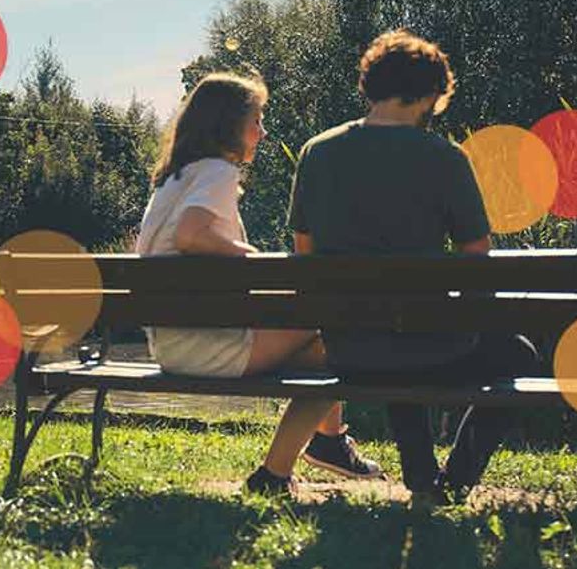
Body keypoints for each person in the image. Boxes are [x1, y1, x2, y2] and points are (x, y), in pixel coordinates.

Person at [287, 29, 538, 507]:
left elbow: (304, 250)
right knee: (517, 354)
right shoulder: (445, 158)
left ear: (371, 84)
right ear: (430, 94)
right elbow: (476, 254)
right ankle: (456, 480)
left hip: (348, 347)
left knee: (394, 330)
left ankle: (422, 474)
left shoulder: (317, 152)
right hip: (429, 344)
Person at [135, 71, 380, 497]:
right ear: (228, 125)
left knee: (323, 348)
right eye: (257, 120)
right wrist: (255, 262)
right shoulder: (216, 171)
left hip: (173, 343)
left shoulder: (174, 178)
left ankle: (327, 442)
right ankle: (284, 468)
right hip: (209, 346)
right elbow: (191, 235)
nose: (263, 133)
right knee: (347, 342)